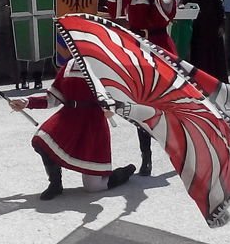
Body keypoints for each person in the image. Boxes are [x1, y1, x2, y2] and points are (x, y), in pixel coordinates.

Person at [87, 0, 175, 176]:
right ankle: (146, 157)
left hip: (159, 49)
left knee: (167, 105)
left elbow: (167, 6)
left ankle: (180, 150)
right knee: (139, 106)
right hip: (136, 51)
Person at [10, 61, 136, 200]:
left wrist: (113, 107)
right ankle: (55, 184)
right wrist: (27, 102)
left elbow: (119, 93)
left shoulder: (102, 62)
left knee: (93, 187)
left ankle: (124, 173)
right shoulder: (69, 65)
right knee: (41, 140)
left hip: (93, 124)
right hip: (68, 118)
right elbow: (52, 99)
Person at [181, 0, 227, 81]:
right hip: (197, 28)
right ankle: (199, 79)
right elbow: (183, 4)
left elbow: (220, 9)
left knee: (214, 54)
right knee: (199, 54)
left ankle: (216, 79)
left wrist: (222, 25)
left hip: (213, 27)